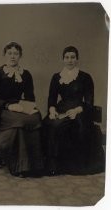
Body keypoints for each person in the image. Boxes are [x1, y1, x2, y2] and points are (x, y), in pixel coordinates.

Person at [43, 46, 105, 176]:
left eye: (72, 57)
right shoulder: (56, 77)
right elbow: (52, 98)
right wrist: (52, 109)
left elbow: (89, 101)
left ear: (77, 59)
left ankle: (70, 165)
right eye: (67, 57)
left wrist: (76, 111)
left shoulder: (85, 77)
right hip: (61, 108)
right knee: (49, 123)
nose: (70, 60)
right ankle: (53, 165)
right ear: (63, 59)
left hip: (80, 109)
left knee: (76, 126)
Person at [0, 42, 43, 177]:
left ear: (20, 56)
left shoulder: (26, 74)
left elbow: (30, 97)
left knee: (36, 117)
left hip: (20, 107)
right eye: (10, 53)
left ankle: (36, 166)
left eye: (16, 54)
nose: (13, 57)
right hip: (3, 110)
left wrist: (28, 107)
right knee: (21, 123)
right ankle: (20, 167)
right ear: (4, 55)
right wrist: (8, 105)